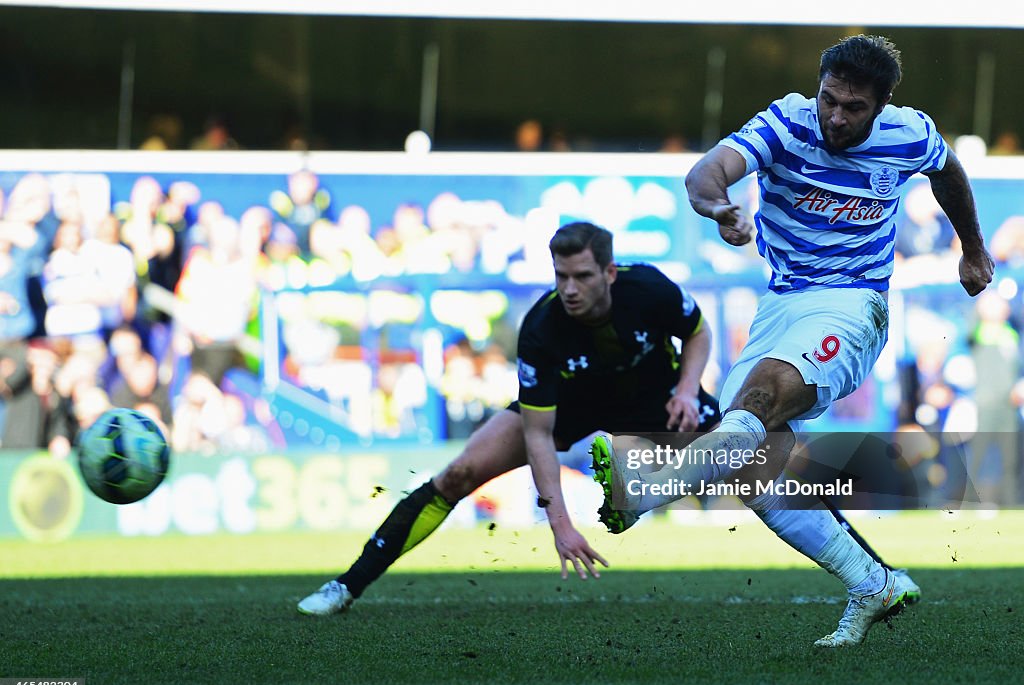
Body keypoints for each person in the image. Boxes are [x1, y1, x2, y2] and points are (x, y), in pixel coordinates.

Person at [592, 35, 994, 648]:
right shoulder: (786, 122)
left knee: (757, 399)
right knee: (753, 469)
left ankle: (644, 492)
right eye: (828, 99)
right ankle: (872, 582)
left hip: (855, 304)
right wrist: (718, 206)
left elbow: (949, 173)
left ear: (881, 106)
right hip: (779, 310)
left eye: (853, 107)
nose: (835, 116)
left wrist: (973, 247)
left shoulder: (909, 134)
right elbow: (706, 172)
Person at [296, 221, 900, 616]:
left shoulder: (650, 290)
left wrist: (689, 389)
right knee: (457, 475)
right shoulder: (541, 330)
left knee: (760, 462)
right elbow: (537, 434)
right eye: (560, 277)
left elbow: (698, 332)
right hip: (570, 409)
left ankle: (876, 576)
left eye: (582, 276)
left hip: (657, 399)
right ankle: (345, 586)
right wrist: (560, 522)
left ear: (609, 273)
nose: (570, 289)